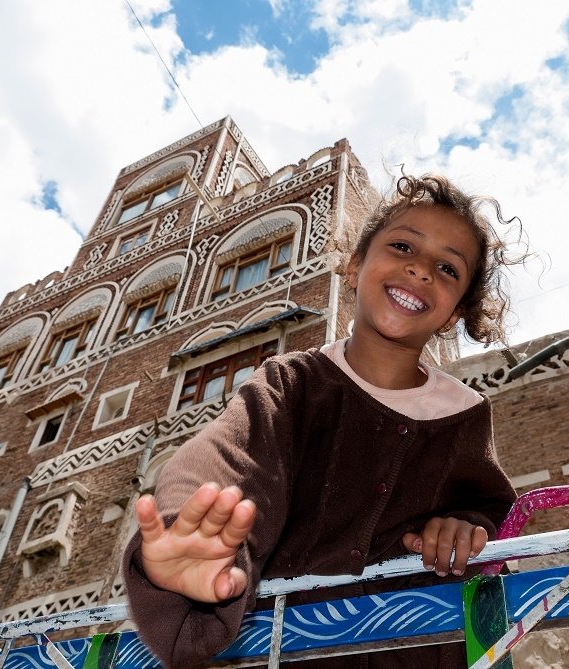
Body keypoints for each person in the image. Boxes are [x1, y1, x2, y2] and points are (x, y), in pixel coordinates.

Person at [123, 174, 524, 668]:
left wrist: (465, 527)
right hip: (284, 651)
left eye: (447, 268)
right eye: (402, 246)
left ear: (454, 313)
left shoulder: (463, 414)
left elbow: (490, 509)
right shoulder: (289, 384)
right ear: (354, 266)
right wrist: (191, 529)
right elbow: (226, 458)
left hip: (416, 653)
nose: (420, 270)